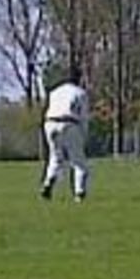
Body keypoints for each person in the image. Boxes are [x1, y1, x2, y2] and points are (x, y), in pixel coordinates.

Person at [40, 66, 90, 202]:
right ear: (79, 79)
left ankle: (48, 183)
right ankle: (79, 193)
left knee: (55, 158)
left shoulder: (55, 91)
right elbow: (84, 117)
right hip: (69, 123)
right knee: (79, 162)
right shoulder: (80, 93)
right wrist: (84, 135)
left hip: (49, 123)